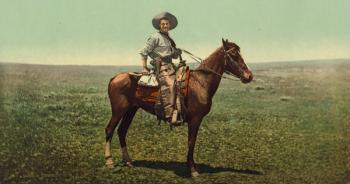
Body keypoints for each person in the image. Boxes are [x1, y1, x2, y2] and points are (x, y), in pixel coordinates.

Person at [140, 11, 182, 125]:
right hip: (161, 67)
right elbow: (144, 52)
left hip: (170, 66)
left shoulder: (169, 39)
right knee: (170, 84)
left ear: (169, 25)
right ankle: (169, 115)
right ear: (159, 25)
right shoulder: (154, 37)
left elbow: (171, 54)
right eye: (163, 24)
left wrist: (176, 52)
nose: (165, 26)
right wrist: (144, 67)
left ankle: (180, 109)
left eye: (167, 24)